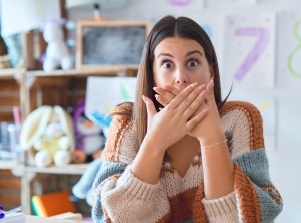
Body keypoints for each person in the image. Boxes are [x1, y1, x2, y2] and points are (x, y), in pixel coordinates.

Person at [91, 15, 283, 223]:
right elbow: (108, 218)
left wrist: (212, 139)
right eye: (167, 64)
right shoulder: (127, 124)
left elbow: (251, 217)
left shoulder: (240, 118)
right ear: (152, 73)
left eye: (192, 62)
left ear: (210, 72)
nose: (181, 76)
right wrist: (155, 142)